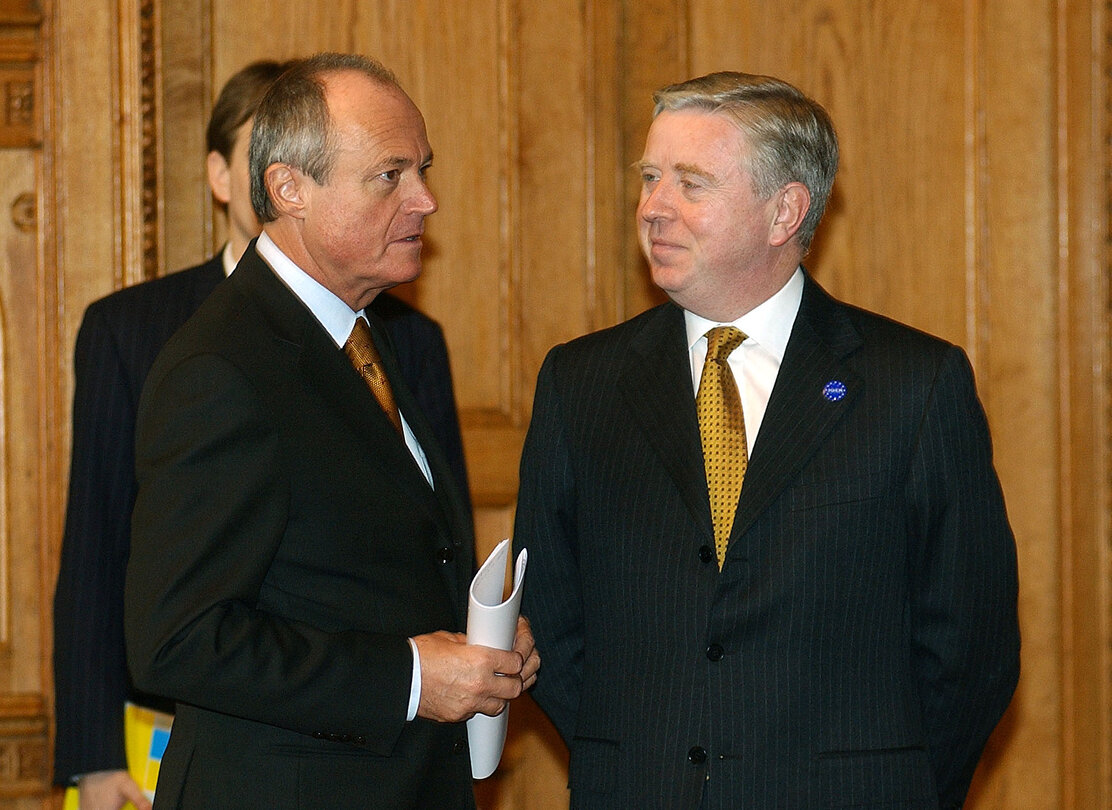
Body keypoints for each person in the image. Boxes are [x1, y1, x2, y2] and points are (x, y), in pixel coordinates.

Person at [514, 71, 1019, 809]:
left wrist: (891, 785)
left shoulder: (911, 385)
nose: (652, 207)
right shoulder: (580, 382)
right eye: (650, 178)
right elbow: (552, 620)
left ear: (785, 210)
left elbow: (968, 647)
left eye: (691, 184)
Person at [53, 57, 473, 810]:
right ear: (288, 189)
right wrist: (411, 677)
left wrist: (480, 649)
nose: (426, 200)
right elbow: (178, 639)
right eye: (391, 175)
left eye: (423, 170)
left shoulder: (363, 333)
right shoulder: (220, 366)